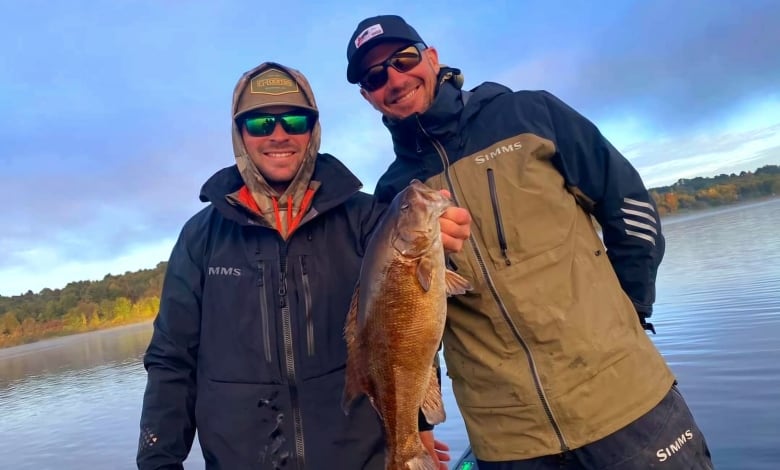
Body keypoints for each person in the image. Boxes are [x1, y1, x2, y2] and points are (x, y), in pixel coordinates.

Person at [344, 15, 715, 470]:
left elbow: (631, 209)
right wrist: (418, 420)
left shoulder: (529, 115)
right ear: (367, 96)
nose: (395, 79)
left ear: (432, 57)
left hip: (626, 401)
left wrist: (631, 311)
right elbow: (401, 329)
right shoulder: (390, 195)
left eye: (403, 59)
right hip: (509, 442)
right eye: (375, 76)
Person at [136, 61, 468, 469]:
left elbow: (401, 327)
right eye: (260, 123)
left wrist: (418, 429)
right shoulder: (201, 238)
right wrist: (158, 460)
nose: (279, 134)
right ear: (239, 133)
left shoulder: (368, 220)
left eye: (294, 120)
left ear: (313, 129)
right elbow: (172, 360)